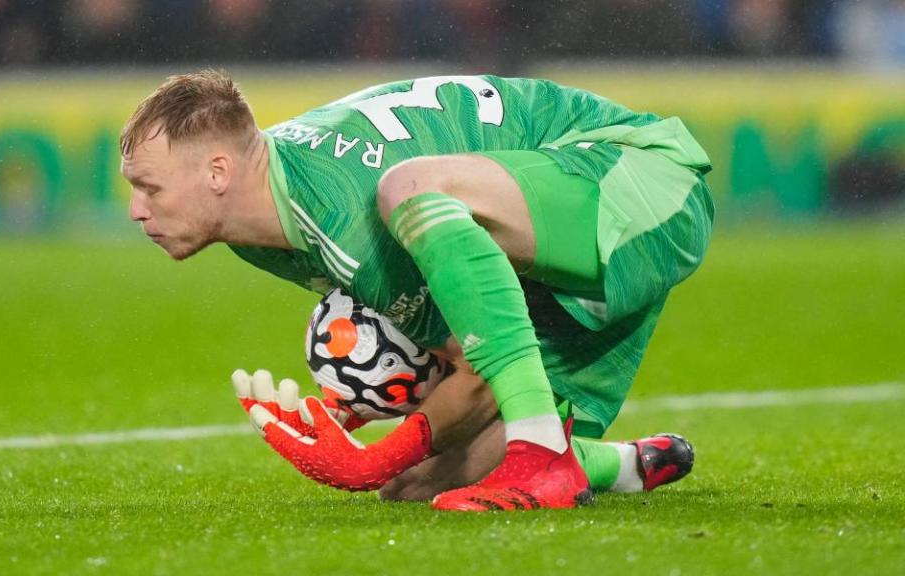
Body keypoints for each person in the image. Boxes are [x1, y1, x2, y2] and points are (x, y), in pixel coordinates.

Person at [120, 70, 713, 511]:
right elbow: (451, 343)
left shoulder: (336, 208)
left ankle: (544, 455)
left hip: (636, 181)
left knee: (408, 186)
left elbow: (475, 374)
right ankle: (622, 465)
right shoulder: (262, 219)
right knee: (416, 487)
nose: (135, 211)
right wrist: (337, 415)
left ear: (217, 173)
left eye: (150, 187)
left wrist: (373, 457)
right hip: (558, 272)